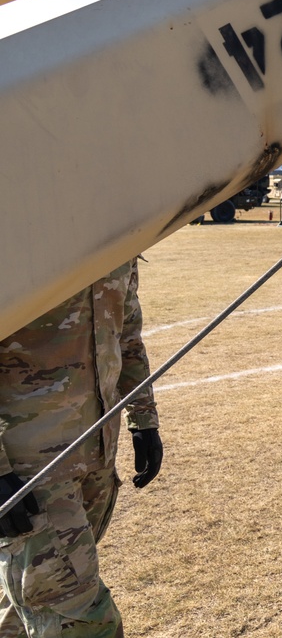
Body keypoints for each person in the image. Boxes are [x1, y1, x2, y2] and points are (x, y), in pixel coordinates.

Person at [0, 257, 162, 638]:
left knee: (28, 606)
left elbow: (128, 333)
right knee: (79, 616)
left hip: (97, 453)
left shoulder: (108, 228)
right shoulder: (17, 230)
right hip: (30, 472)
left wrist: (144, 420)